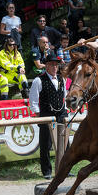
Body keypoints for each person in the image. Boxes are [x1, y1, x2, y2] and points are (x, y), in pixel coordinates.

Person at [29, 51, 67, 179]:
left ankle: (64, 168)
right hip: (46, 114)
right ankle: (47, 171)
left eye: (56, 65)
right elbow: (33, 100)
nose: (55, 67)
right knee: (46, 144)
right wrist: (40, 115)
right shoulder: (38, 80)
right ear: (46, 66)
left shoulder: (62, 79)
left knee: (64, 142)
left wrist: (65, 110)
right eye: (51, 64)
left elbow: (64, 96)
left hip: (61, 113)